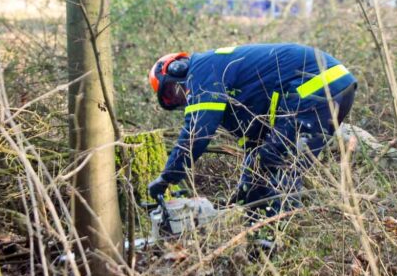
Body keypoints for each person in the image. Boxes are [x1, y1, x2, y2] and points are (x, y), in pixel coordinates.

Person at [147, 44, 357, 216]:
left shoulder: (202, 70)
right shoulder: (231, 96)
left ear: (178, 68)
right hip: (328, 90)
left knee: (280, 162)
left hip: (317, 87)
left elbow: (198, 131)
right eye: (173, 100)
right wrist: (242, 196)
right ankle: (263, 234)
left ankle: (273, 240)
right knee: (270, 163)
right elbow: (254, 148)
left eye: (174, 90)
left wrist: (168, 176)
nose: (182, 97)